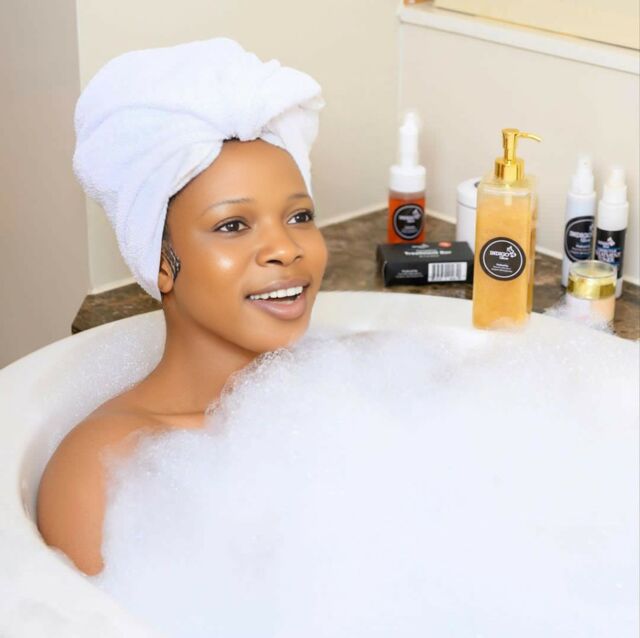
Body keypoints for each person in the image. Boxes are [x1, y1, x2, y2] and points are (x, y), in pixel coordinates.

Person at [36, 38, 328, 576]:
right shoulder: (105, 470)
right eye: (233, 225)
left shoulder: (341, 397)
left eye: (300, 217)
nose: (286, 248)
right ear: (161, 263)